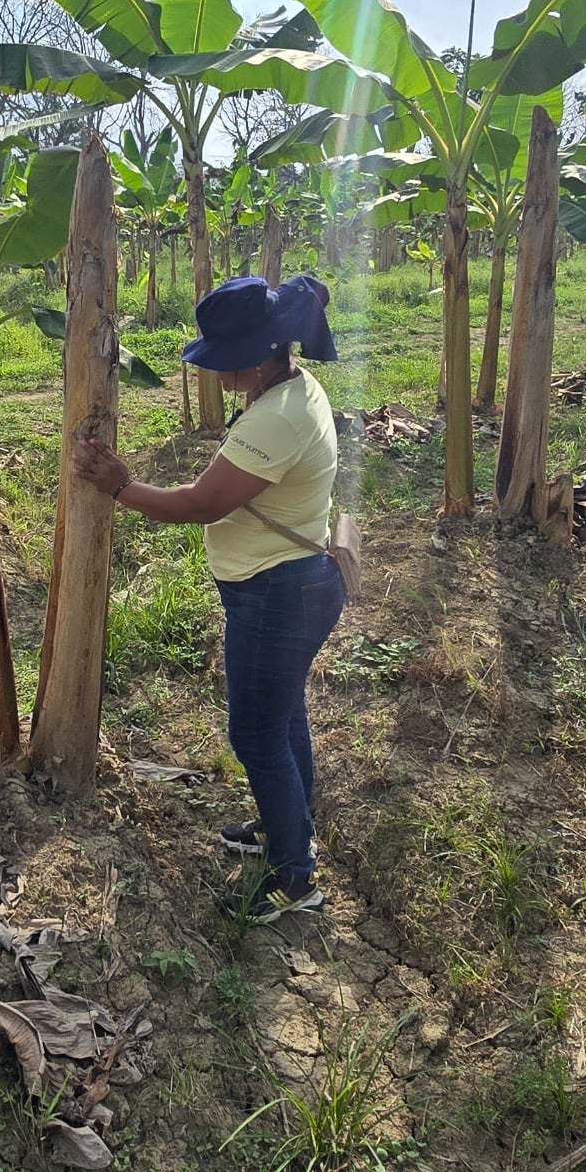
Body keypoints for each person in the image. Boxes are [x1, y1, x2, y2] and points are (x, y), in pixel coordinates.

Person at [73, 274, 345, 922]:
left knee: (254, 734)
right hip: (297, 583)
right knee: (283, 719)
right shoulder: (292, 389)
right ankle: (289, 827)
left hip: (276, 593)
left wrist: (121, 486)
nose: (217, 369)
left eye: (226, 357)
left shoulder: (278, 417)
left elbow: (200, 502)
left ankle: (294, 877)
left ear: (263, 351)